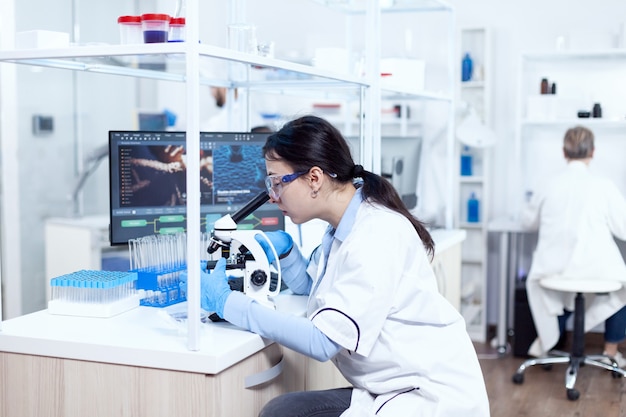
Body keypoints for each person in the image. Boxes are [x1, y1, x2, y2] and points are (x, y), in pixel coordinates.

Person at [192, 115, 490, 416]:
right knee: (283, 410)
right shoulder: (345, 224)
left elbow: (322, 341)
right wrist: (287, 256)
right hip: (390, 386)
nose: (271, 196)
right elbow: (325, 292)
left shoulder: (375, 234)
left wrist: (228, 303)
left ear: (315, 178)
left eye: (277, 182)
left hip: (428, 397)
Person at [522, 125, 626, 364]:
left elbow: (528, 222)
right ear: (593, 152)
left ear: (564, 152)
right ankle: (610, 353)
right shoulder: (604, 186)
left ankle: (549, 344)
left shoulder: (547, 184)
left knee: (561, 295)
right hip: (594, 272)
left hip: (552, 272)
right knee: (623, 284)